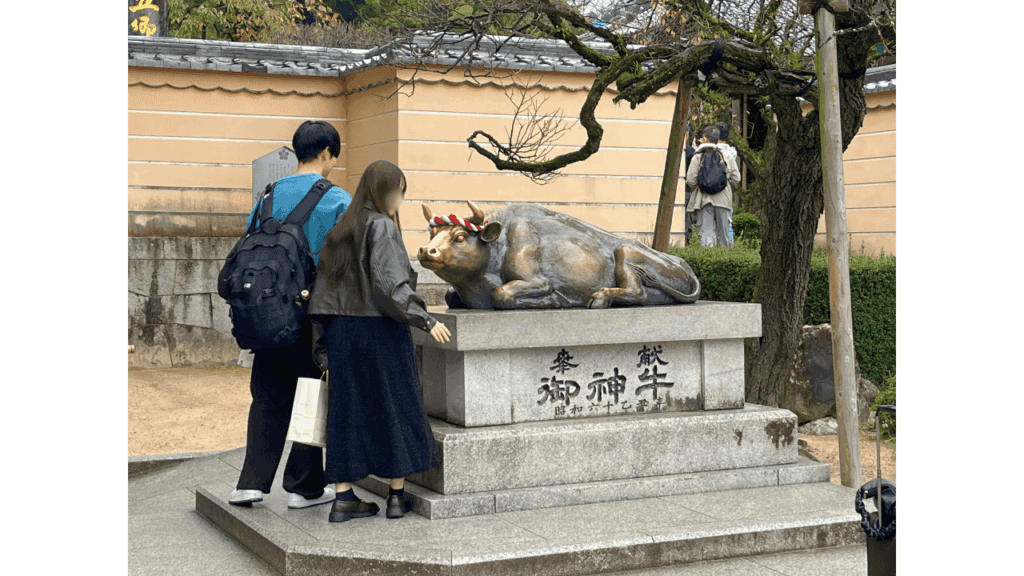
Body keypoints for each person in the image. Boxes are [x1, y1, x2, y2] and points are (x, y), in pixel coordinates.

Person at [308, 160, 452, 523]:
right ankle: (396, 496)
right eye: (399, 192)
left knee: (346, 412)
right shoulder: (382, 227)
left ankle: (343, 499)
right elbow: (391, 287)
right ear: (386, 191)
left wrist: (322, 348)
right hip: (381, 330)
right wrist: (426, 318)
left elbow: (322, 296)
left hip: (342, 333)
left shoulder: (339, 230)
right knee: (395, 405)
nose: (400, 200)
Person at [229, 120, 353, 509]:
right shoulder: (337, 199)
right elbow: (345, 265)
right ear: (328, 153)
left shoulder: (268, 195)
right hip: (312, 314)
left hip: (266, 312)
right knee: (312, 395)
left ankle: (250, 483)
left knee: (267, 395)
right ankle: (304, 486)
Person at [685, 126, 741, 248]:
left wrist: (701, 184)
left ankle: (709, 256)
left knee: (707, 233)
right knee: (725, 232)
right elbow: (736, 178)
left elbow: (690, 180)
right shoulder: (727, 155)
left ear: (705, 138)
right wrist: (724, 182)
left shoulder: (698, 156)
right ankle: (727, 257)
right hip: (724, 200)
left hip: (704, 200)